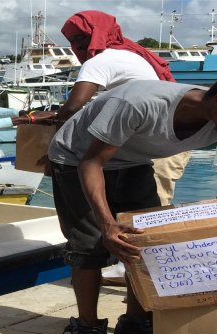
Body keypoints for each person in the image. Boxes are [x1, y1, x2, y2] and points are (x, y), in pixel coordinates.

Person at [50, 68, 217, 334]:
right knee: (89, 245)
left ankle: (134, 320)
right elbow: (91, 163)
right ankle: (87, 327)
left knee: (142, 240)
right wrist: (106, 224)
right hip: (76, 158)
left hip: (134, 161)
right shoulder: (138, 104)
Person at [33, 10, 188, 207]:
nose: (78, 44)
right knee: (142, 213)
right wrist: (57, 113)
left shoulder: (100, 61)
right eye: (72, 40)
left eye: (82, 36)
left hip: (157, 147)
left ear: (100, 33)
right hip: (157, 142)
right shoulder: (128, 55)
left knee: (148, 219)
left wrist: (54, 155)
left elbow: (72, 108)